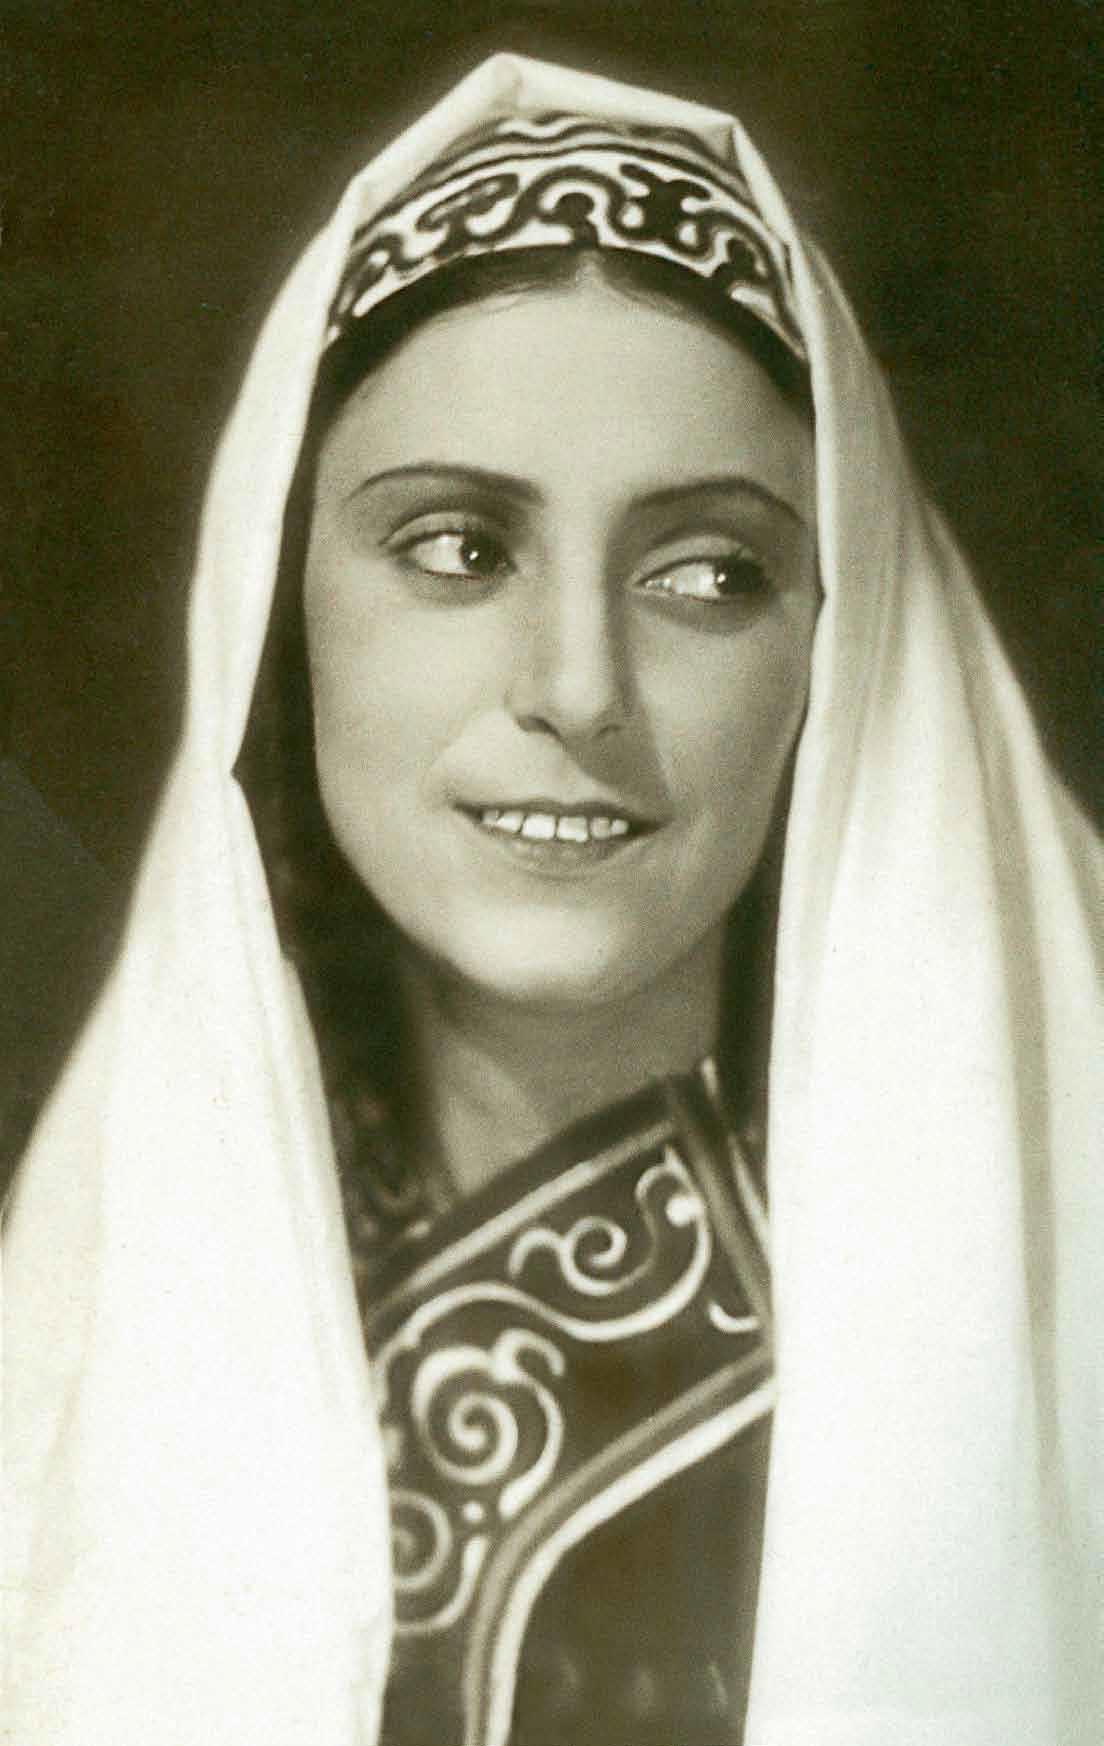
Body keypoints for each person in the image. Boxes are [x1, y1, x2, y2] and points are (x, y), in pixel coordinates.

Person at [3, 52, 1100, 1746]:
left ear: (843, 639)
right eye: (457, 547)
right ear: (284, 607)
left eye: (708, 571)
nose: (578, 686)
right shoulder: (88, 1303)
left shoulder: (1016, 1353)